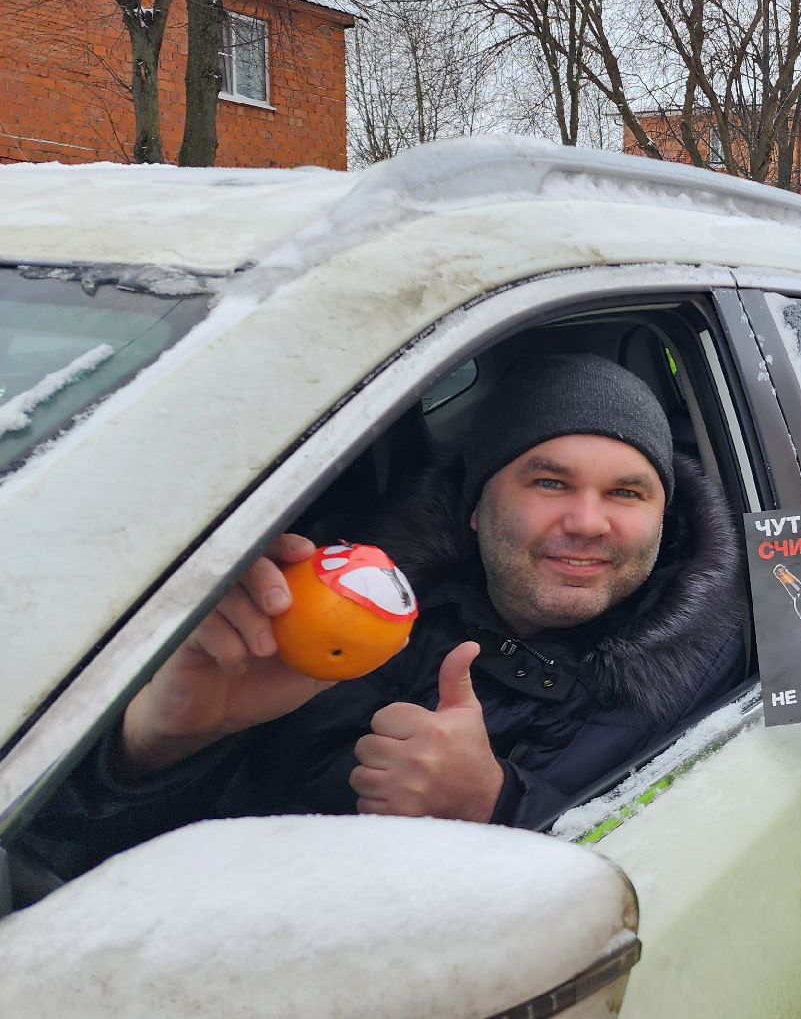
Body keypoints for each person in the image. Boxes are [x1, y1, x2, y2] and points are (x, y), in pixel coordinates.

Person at [29, 355, 744, 874]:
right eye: (549, 482)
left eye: (627, 493)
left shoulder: (727, 663)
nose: (587, 522)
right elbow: (72, 870)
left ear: (661, 516)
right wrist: (160, 746)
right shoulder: (329, 610)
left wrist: (495, 808)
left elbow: (703, 892)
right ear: (473, 508)